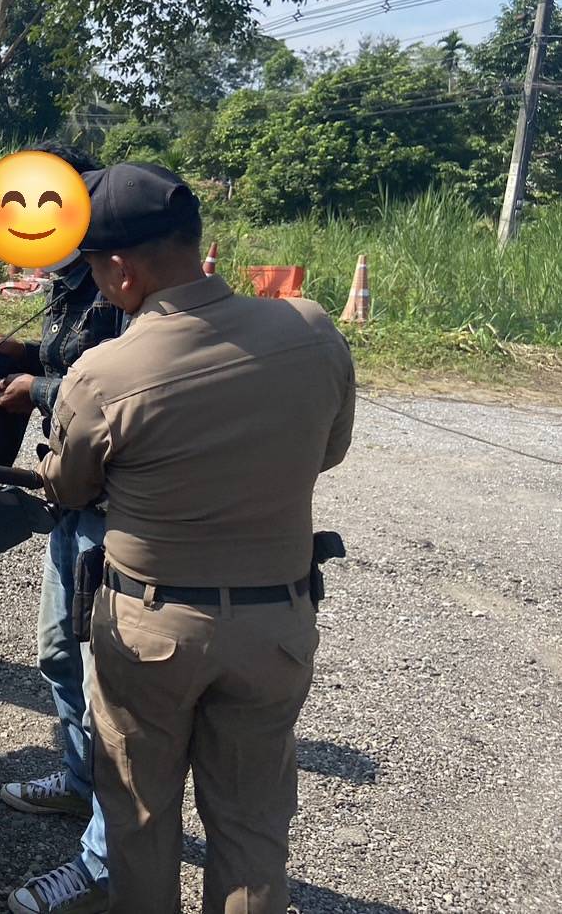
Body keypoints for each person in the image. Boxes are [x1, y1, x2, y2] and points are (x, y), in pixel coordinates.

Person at [37, 162, 355, 913]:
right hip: (276, 624)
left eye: (94, 266)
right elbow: (330, 450)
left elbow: (68, 488)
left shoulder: (103, 373)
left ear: (120, 270)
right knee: (251, 829)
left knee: (141, 819)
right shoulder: (312, 329)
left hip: (151, 629)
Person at [0, 143, 123, 914]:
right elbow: (74, 358)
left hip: (113, 508)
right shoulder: (72, 280)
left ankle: (106, 860)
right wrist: (19, 351)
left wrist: (38, 386)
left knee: (111, 686)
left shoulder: (122, 285)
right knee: (57, 654)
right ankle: (77, 779)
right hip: (68, 489)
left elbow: (122, 388)